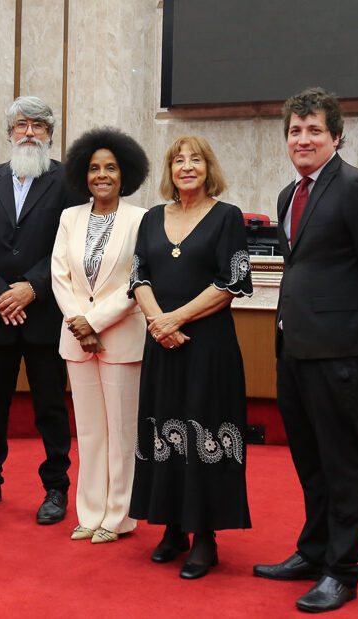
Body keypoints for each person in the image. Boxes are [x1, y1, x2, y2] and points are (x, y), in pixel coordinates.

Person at [252, 88, 358, 613]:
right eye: (295, 131)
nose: (303, 139)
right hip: (294, 348)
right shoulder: (287, 196)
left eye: (314, 130)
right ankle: (313, 552)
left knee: (342, 464)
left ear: (336, 136)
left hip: (341, 352)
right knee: (309, 461)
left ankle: (343, 570)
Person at [128, 136, 253, 579]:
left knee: (205, 431)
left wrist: (174, 319)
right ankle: (172, 527)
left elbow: (231, 283)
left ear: (208, 167)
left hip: (208, 348)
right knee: (165, 429)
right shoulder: (151, 218)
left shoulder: (227, 217)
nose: (186, 166)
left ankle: (205, 537)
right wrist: (158, 322)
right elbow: (139, 274)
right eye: (177, 160)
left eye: (195, 159)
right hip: (162, 346)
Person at [0, 96, 80, 524]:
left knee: (50, 404)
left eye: (39, 126)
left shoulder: (68, 181)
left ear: (50, 134)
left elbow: (70, 244)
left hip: (45, 312)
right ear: (9, 133)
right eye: (22, 125)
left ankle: (56, 488)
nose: (30, 132)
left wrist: (31, 287)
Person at [50, 127, 149, 544]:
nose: (102, 175)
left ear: (124, 173)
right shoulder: (70, 217)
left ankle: (119, 515)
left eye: (110, 168)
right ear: (82, 174)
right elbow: (60, 275)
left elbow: (137, 280)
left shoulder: (141, 218)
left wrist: (96, 323)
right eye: (94, 168)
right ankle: (89, 513)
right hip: (77, 340)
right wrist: (79, 323)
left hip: (121, 339)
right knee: (89, 432)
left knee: (122, 432)